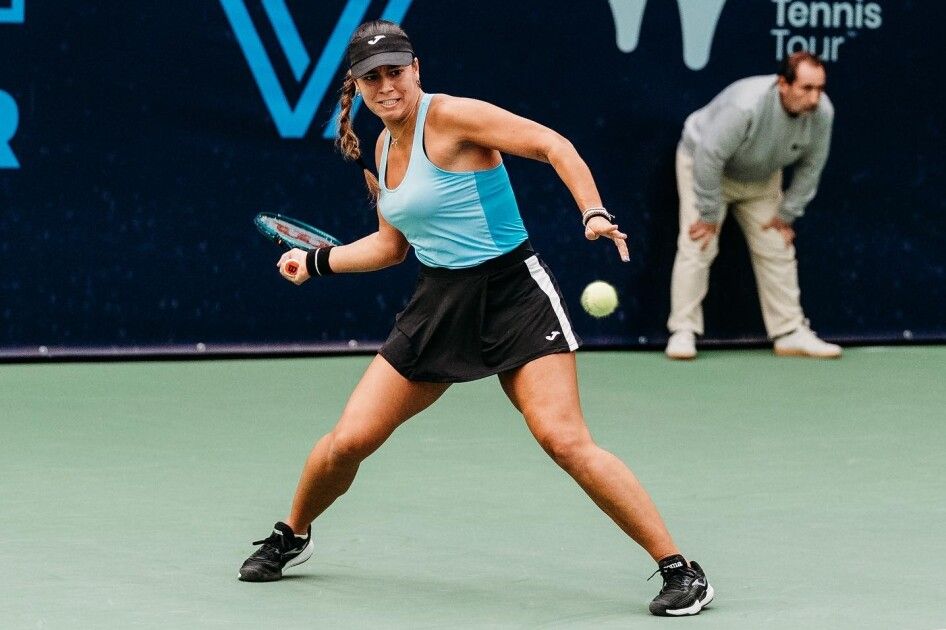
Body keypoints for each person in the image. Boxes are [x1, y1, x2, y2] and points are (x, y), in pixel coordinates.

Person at [238, 20, 713, 617]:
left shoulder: (455, 117)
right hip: (439, 302)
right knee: (349, 440)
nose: (386, 86)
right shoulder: (382, 148)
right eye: (371, 77)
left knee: (562, 439)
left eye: (395, 72)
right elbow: (391, 247)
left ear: (416, 70)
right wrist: (317, 261)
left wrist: (591, 212)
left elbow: (552, 145)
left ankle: (681, 570)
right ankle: (293, 533)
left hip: (514, 293)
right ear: (356, 86)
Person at [665, 51, 842, 360]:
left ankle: (789, 332)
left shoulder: (822, 113)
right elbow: (709, 156)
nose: (815, 99)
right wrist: (708, 214)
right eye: (806, 88)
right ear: (783, 84)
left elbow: (812, 166)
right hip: (706, 168)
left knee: (776, 244)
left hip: (761, 177)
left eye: (820, 89)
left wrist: (787, 214)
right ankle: (683, 331)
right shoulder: (746, 106)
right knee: (699, 242)